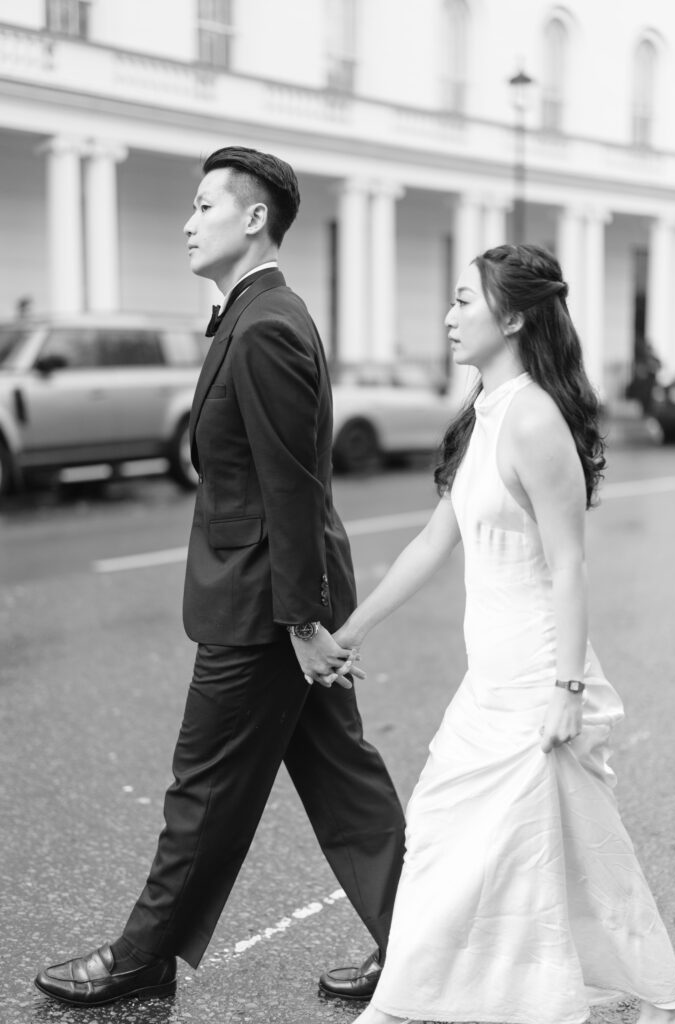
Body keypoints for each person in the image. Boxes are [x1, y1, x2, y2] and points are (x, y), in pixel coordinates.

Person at [34, 146, 405, 1007]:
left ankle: (142, 955)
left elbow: (290, 486)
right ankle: (419, 941)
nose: (188, 223)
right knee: (342, 778)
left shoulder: (266, 324)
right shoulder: (255, 314)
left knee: (202, 787)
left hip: (266, 604)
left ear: (254, 218)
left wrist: (301, 623)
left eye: (205, 206)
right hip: (281, 593)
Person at [335, 244, 675, 1024]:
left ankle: (413, 1007)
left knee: (514, 847)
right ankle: (579, 993)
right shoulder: (486, 415)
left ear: (515, 316)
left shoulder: (532, 420)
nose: (448, 317)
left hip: (534, 676)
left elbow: (568, 565)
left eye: (464, 301)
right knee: (511, 845)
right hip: (489, 677)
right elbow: (434, 540)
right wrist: (350, 630)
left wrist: (566, 690)